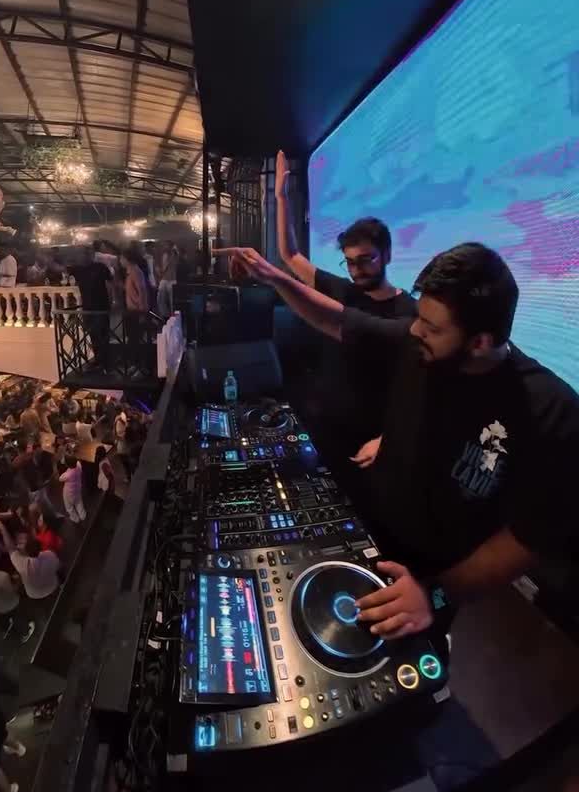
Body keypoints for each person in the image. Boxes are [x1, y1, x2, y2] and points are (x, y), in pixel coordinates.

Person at [217, 241, 579, 650]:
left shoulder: (551, 411)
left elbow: (528, 538)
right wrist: (273, 277)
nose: (415, 329)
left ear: (480, 342)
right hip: (368, 535)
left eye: (432, 327)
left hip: (432, 577)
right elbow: (338, 320)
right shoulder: (419, 344)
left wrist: (436, 593)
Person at [275, 149, 416, 464]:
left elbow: (416, 389)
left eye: (366, 260)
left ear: (387, 255)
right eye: (350, 262)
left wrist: (390, 438)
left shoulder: (410, 312)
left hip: (371, 440)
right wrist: (281, 198)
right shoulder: (342, 290)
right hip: (325, 425)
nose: (356, 270)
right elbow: (290, 256)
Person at [73, 246, 112, 367]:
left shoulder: (100, 267)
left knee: (103, 333)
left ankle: (106, 360)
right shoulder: (78, 270)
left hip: (101, 306)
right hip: (87, 307)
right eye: (82, 254)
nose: (84, 256)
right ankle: (98, 359)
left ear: (91, 255)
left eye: (86, 253)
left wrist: (112, 301)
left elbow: (110, 284)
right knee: (92, 334)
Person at [60, 455, 85, 523]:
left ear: (67, 465)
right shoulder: (78, 465)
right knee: (79, 502)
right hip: (78, 488)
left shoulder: (67, 474)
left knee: (69, 507)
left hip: (69, 493)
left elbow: (60, 479)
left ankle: (75, 519)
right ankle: (83, 515)